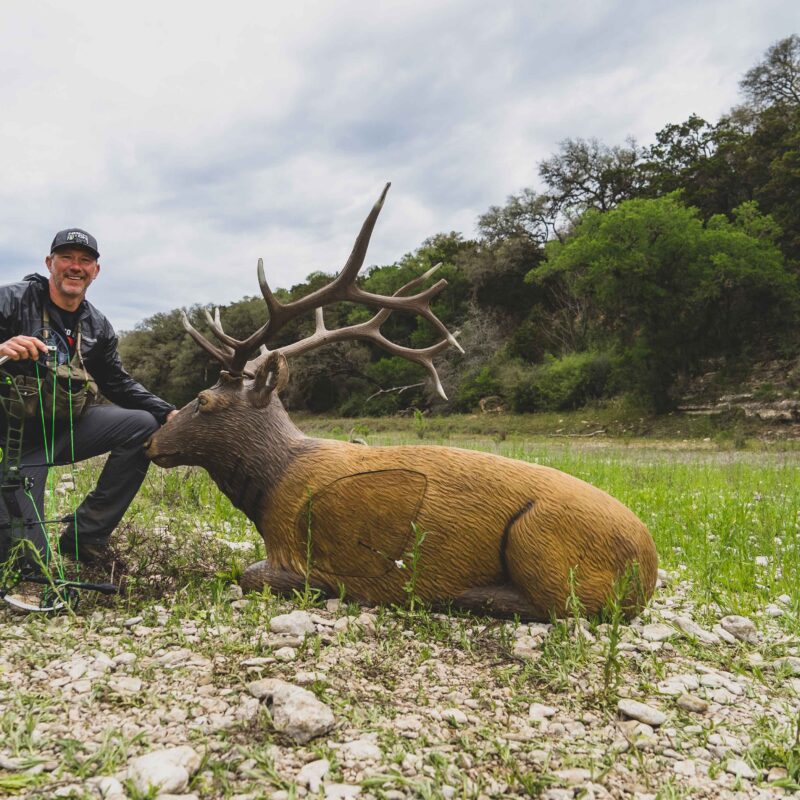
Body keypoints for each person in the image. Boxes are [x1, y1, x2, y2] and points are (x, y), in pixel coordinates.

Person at [0, 228, 176, 568]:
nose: (75, 267)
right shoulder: (9, 299)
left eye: (85, 260)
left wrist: (168, 412)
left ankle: (86, 537)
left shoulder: (97, 325)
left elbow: (117, 383)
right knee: (28, 565)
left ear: (96, 271)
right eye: (66, 258)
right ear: (49, 263)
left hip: (65, 431)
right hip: (14, 444)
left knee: (143, 423)